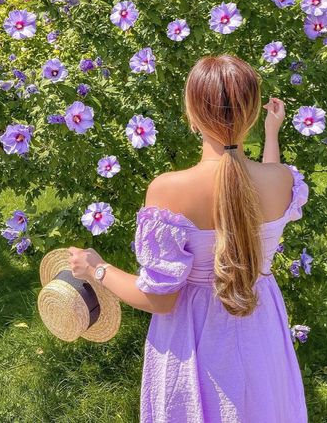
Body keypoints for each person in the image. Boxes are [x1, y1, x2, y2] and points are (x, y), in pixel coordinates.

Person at [69, 54, 310, 422]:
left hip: (194, 339)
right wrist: (271, 133)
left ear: (192, 115)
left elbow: (159, 300)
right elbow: (258, 179)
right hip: (261, 328)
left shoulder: (169, 190)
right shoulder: (283, 182)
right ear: (252, 113)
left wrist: (96, 268)